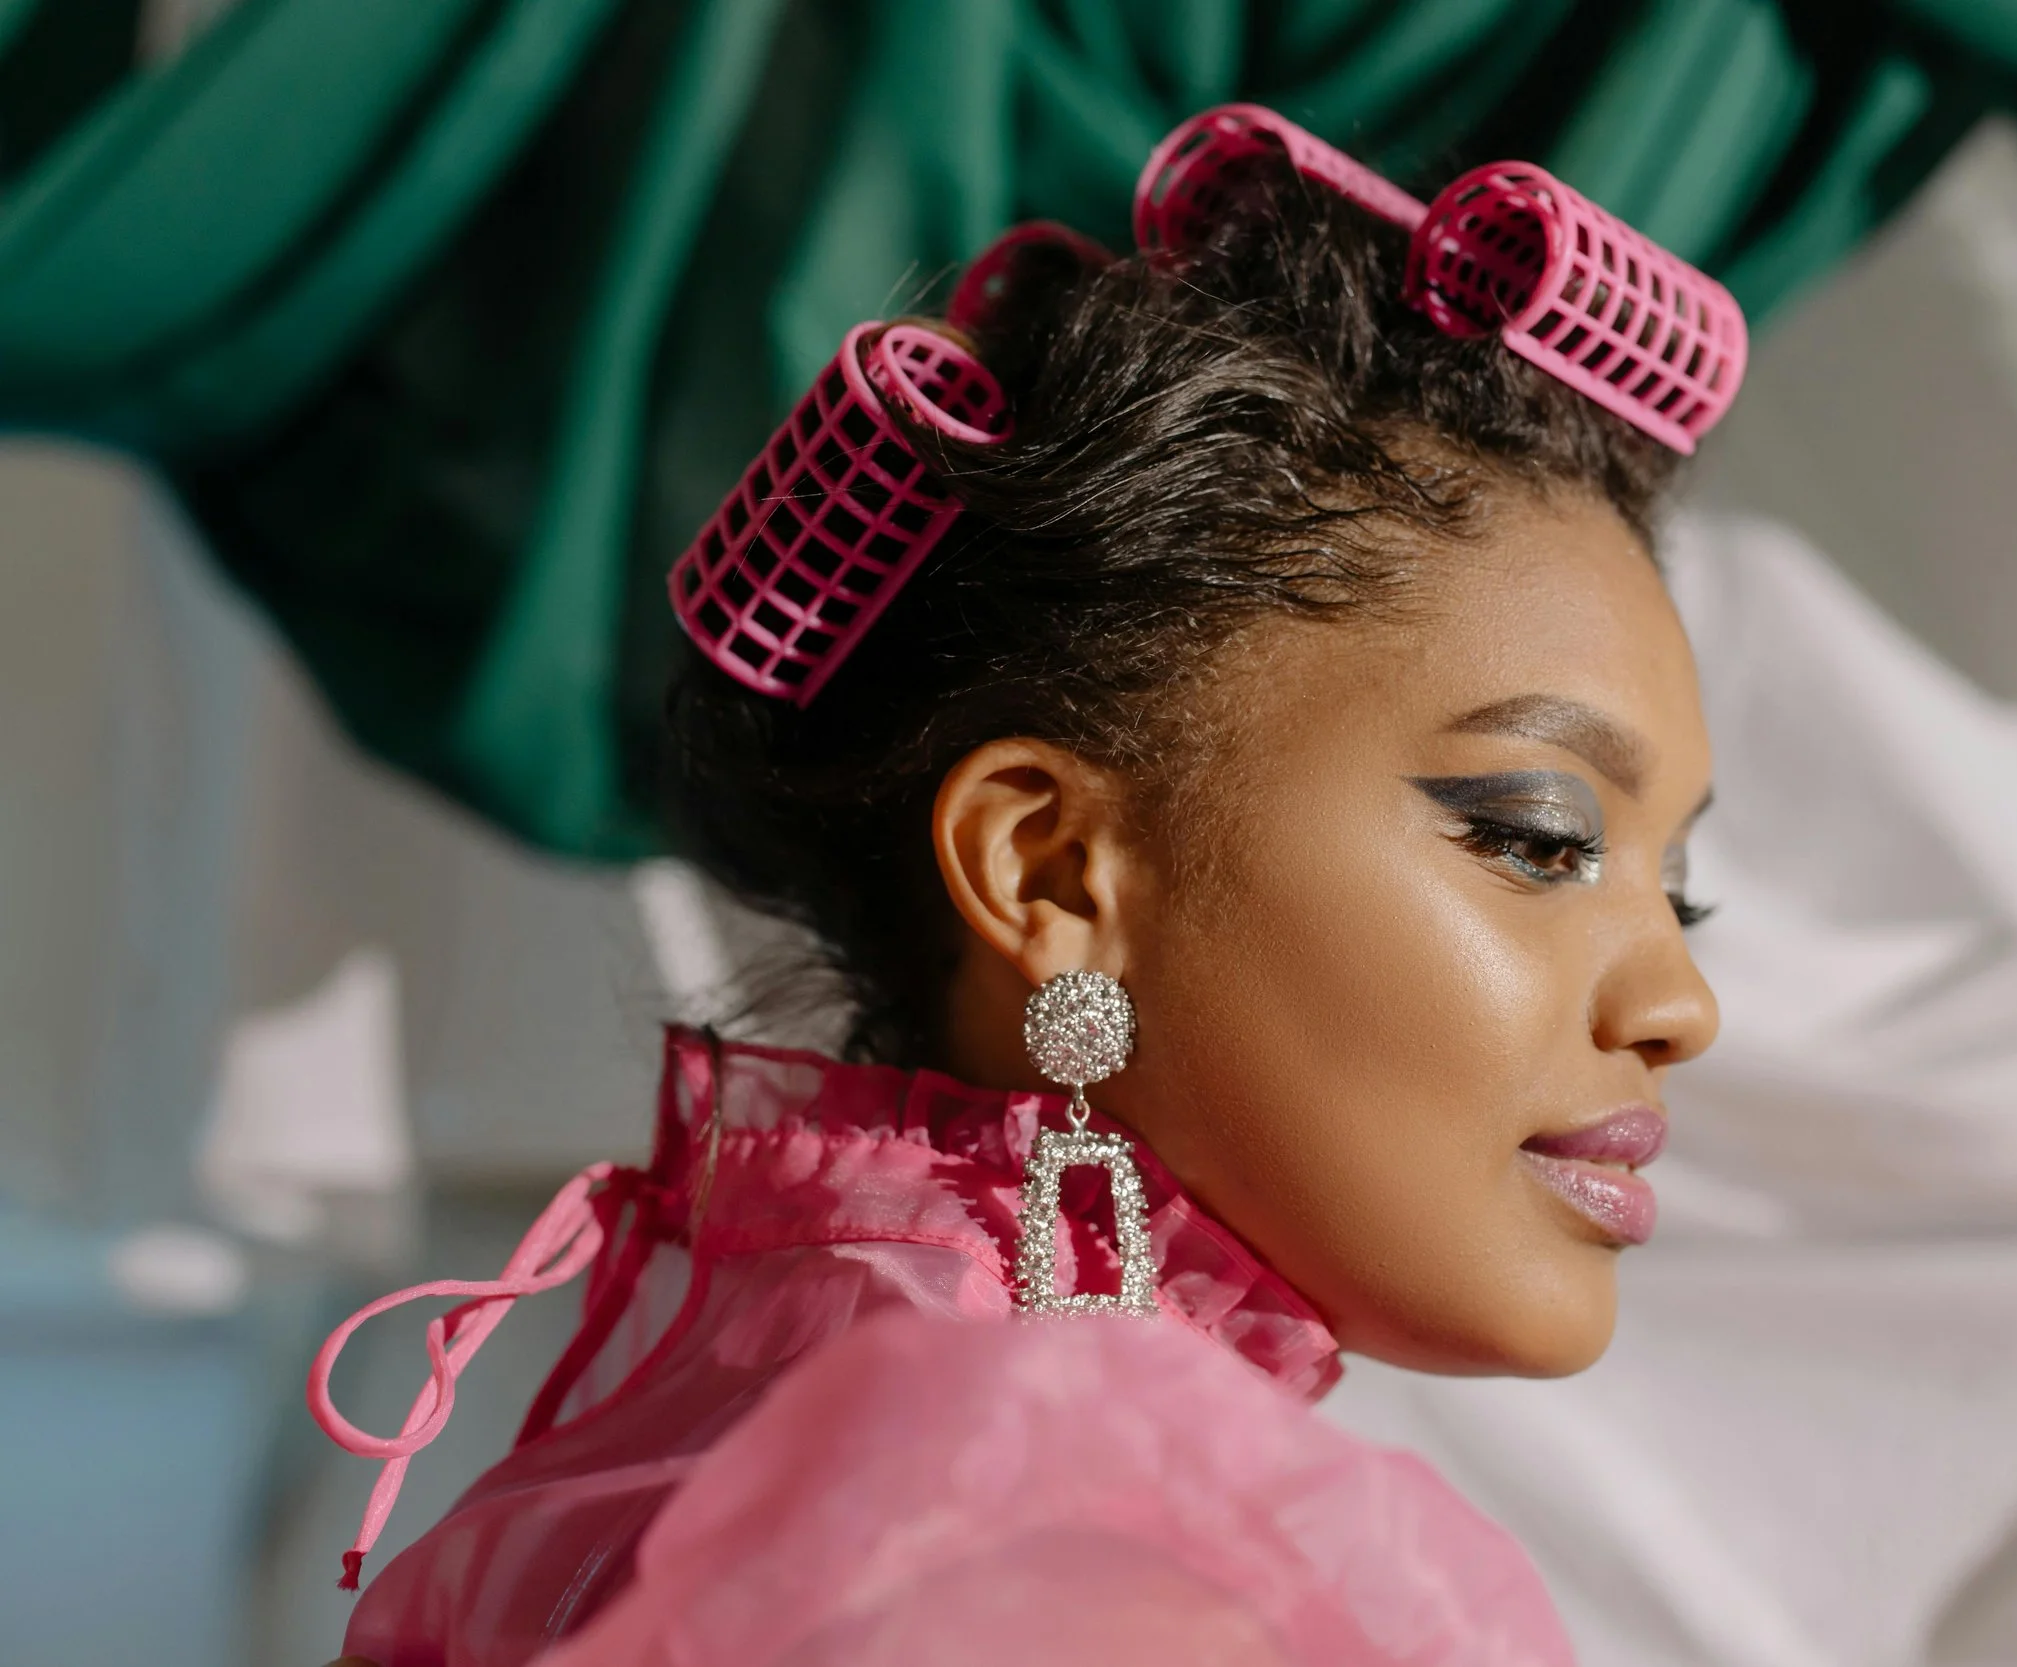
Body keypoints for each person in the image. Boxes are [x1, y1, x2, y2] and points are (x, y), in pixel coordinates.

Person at [308, 104, 1743, 1665]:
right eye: (1539, 837)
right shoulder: (1073, 1558)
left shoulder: (802, 1430)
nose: (1680, 1000)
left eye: (1680, 887)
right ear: (1048, 867)